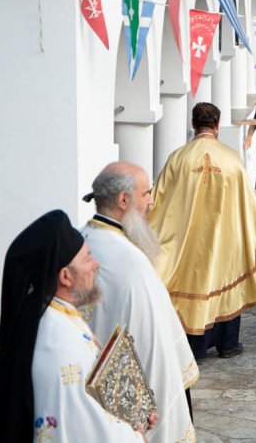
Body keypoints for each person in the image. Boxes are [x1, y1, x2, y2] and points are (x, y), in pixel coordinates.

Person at [0, 210, 154, 442]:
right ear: (65, 276)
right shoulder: (58, 345)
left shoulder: (60, 314)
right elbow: (85, 426)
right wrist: (135, 436)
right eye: (88, 258)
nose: (96, 265)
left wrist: (135, 413)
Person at [81, 162, 197, 442]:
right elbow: (155, 349)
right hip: (129, 412)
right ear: (123, 200)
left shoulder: (79, 242)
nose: (151, 202)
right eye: (146, 194)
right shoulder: (131, 261)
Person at [149, 103, 256, 360]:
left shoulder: (178, 158)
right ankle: (227, 343)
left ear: (194, 124)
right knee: (226, 278)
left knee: (189, 284)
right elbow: (248, 204)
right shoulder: (232, 159)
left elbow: (157, 202)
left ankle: (191, 347)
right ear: (216, 125)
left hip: (184, 239)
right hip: (224, 238)